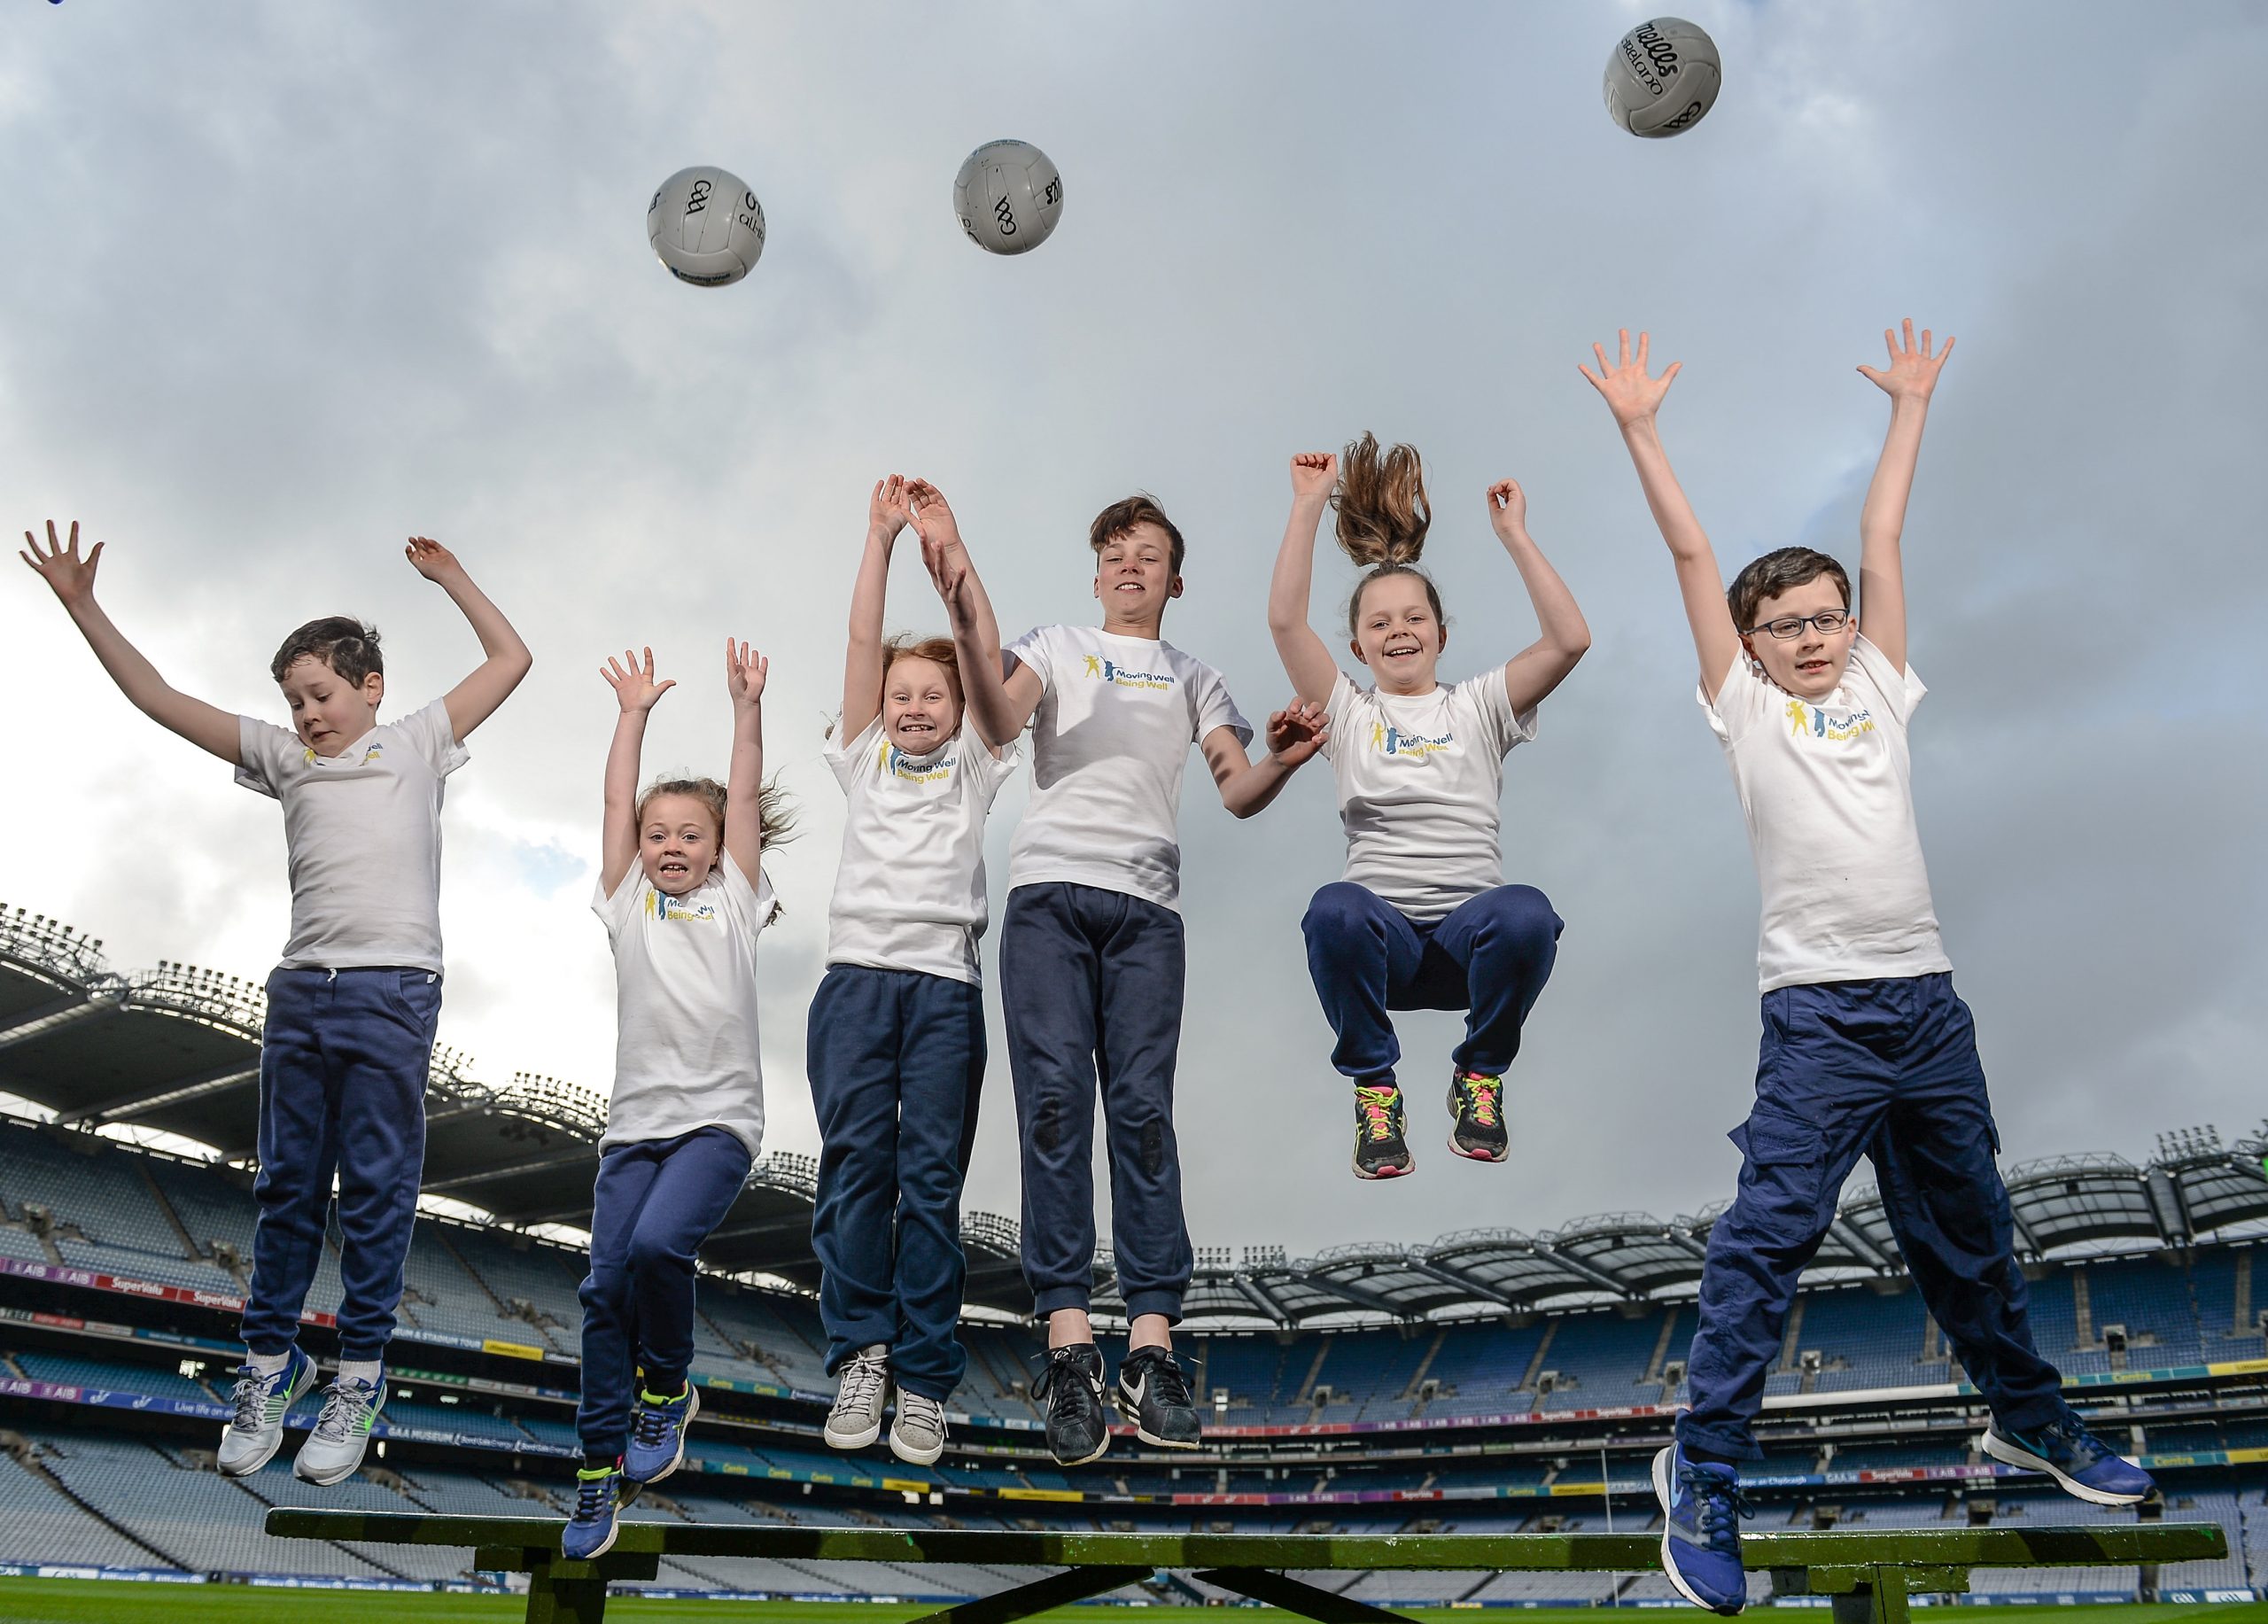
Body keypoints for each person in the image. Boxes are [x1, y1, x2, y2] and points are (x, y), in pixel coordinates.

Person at [1581, 323, 2154, 1615]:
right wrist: (1640, 430)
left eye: (1826, 616)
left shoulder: (1882, 684)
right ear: (1752, 643)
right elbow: (1690, 554)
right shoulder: (1746, 709)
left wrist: (1909, 407)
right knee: (1767, 1239)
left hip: (1928, 1009)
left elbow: (1885, 539)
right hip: (1820, 1016)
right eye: (1785, 625)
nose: (1814, 636)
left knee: (1972, 1241)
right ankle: (1705, 1467)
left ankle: (2028, 1420)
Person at [19, 523, 531, 1487]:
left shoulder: (418, 740)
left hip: (392, 989)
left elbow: (512, 659)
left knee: (374, 1192)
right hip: (301, 990)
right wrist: (84, 606)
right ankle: (268, 1362)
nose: (306, 714)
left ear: (370, 687)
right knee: (287, 1188)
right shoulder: (286, 760)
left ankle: (361, 1372)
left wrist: (451, 575)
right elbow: (159, 699)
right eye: (293, 700)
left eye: (322, 695)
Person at [913, 479, 1325, 1465]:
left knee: (1141, 1115)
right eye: (1114, 551)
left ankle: (1150, 1350)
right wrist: (962, 594)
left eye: (1147, 552)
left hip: (1148, 917)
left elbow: (1237, 790)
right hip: (1051, 902)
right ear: (1096, 571)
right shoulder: (1054, 647)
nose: (1129, 563)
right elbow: (999, 719)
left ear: (1174, 580)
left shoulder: (1195, 677)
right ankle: (1068, 1351)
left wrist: (1290, 758)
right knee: (1054, 1107)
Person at [1267, 437, 1588, 1179]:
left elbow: (1570, 639)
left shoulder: (1478, 705)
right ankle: (1375, 1089)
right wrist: (1306, 507)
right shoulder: (1347, 712)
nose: (1398, 630)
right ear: (1358, 645)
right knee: (1333, 907)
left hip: (1468, 952)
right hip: (1384, 955)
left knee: (1529, 911)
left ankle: (1480, 1075)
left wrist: (1516, 536)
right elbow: (1286, 623)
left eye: (1414, 617)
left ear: (1443, 634)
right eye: (1379, 624)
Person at [564, 640, 788, 1559]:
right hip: (632, 1134)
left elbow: (741, 794)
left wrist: (745, 710)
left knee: (660, 1247)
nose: (670, 846)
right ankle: (593, 1476)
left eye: (689, 835)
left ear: (720, 847)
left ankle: (668, 1388)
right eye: (658, 835)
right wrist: (632, 715)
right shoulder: (626, 902)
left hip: (717, 1124)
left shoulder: (735, 899)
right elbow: (617, 801)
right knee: (601, 1290)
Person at [812, 477, 1017, 1468]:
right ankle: (862, 1353)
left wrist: (948, 560)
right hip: (855, 979)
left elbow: (977, 652)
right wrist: (877, 538)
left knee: (931, 1187)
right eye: (901, 695)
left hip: (943, 986)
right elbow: (861, 646)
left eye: (932, 693)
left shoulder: (978, 758)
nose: (914, 705)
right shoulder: (862, 756)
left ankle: (926, 1382)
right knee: (857, 1172)